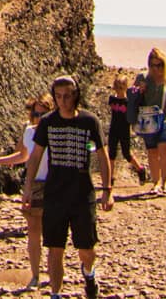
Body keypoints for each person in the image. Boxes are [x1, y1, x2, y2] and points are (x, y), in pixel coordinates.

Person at [34, 74, 111, 299]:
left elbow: (103, 156)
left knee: (86, 249)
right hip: (55, 194)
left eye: (67, 96)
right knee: (55, 248)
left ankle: (89, 274)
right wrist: (28, 188)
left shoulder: (89, 121)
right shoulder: (48, 122)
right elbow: (36, 156)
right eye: (58, 96)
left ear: (75, 95)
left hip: (82, 194)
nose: (63, 101)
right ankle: (55, 293)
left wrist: (107, 190)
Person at [0, 96, 51, 292]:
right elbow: (22, 155)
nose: (38, 118)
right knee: (34, 231)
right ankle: (36, 275)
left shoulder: (56, 130)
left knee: (53, 231)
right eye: (35, 114)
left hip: (55, 184)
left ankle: (54, 274)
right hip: (34, 184)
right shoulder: (29, 132)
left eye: (43, 114)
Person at [130, 49, 166, 195]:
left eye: (159, 65)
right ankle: (155, 183)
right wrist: (139, 91)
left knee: (164, 148)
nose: (156, 69)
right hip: (148, 119)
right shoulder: (143, 77)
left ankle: (165, 183)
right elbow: (132, 98)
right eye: (153, 65)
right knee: (152, 151)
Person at [103, 74, 134, 186]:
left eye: (121, 87)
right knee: (111, 153)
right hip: (114, 129)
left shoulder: (128, 102)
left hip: (124, 130)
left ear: (126, 87)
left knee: (126, 154)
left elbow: (132, 116)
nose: (118, 90)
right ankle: (111, 177)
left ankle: (140, 169)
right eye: (116, 87)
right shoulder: (112, 100)